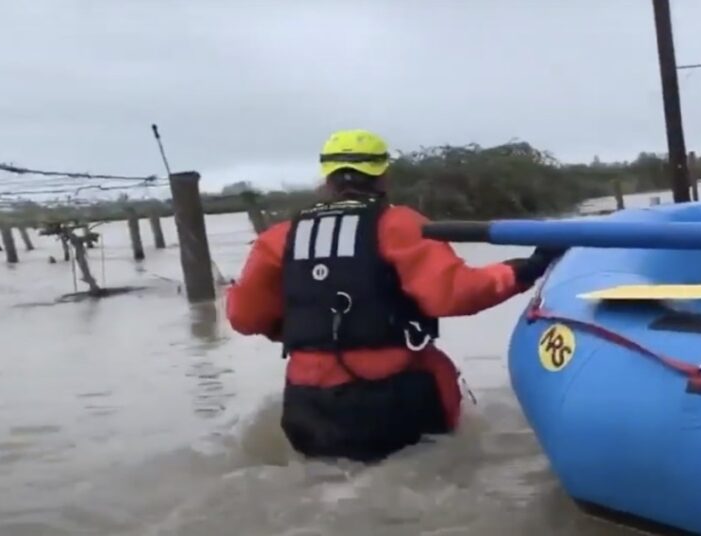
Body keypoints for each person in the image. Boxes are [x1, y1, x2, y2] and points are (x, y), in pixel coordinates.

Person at [225, 129, 563, 463]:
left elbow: (244, 317)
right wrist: (525, 268)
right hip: (395, 397)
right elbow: (455, 295)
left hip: (308, 406)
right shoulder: (399, 225)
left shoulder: (278, 237)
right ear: (383, 176)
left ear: (326, 176)